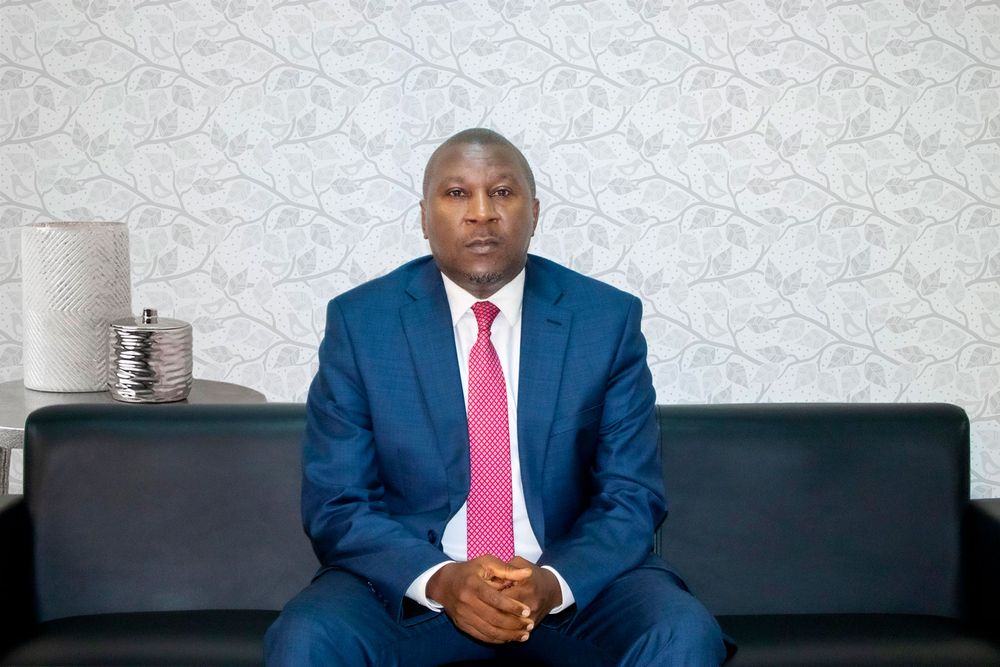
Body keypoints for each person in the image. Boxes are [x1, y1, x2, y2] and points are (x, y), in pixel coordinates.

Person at [264, 128, 726, 666]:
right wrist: (439, 580)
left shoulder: (604, 320)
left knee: (681, 633)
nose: (481, 213)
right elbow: (338, 502)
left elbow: (631, 494)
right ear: (423, 216)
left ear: (534, 211)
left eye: (502, 193)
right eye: (457, 193)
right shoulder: (363, 323)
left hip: (573, 587)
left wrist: (553, 583)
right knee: (306, 640)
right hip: (408, 590)